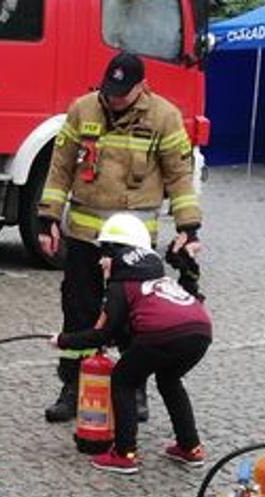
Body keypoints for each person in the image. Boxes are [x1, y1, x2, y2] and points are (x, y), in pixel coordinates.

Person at [37, 52, 203, 422]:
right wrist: (46, 218)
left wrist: (188, 228)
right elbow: (60, 167)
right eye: (110, 91)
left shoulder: (164, 116)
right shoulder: (82, 110)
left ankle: (134, 390)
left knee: (134, 319)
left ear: (142, 86)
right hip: (84, 235)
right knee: (78, 311)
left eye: (122, 93)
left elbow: (179, 177)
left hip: (134, 242)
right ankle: (72, 387)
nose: (114, 99)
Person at [53, 213, 211, 474]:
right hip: (200, 332)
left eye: (105, 254)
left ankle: (124, 453)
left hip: (162, 334)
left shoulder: (121, 285)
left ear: (118, 254)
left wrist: (62, 340)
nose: (101, 261)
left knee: (123, 379)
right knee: (169, 381)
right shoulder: (157, 278)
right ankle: (190, 447)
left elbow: (100, 334)